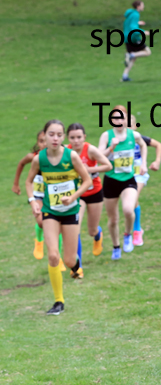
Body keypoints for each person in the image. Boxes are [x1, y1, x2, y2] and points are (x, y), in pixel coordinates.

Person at [25, 120, 93, 315]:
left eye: (59, 135)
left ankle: (76, 266)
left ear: (63, 137)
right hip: (50, 212)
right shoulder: (39, 159)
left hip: (70, 211)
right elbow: (29, 182)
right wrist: (33, 202)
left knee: (69, 260)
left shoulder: (71, 156)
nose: (55, 138)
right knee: (53, 255)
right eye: (51, 134)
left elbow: (87, 180)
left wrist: (72, 197)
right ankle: (58, 302)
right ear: (44, 136)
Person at [98, 105, 148, 260]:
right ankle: (116, 246)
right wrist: (111, 147)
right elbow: (99, 156)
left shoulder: (133, 135)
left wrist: (144, 163)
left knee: (128, 209)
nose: (118, 121)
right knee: (113, 220)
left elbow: (143, 145)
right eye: (115, 118)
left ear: (126, 119)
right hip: (111, 180)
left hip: (128, 179)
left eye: (121, 118)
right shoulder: (106, 136)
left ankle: (127, 235)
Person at [68, 123, 112, 275]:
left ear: (84, 137)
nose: (76, 141)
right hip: (77, 194)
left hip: (94, 192)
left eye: (79, 137)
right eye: (72, 137)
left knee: (91, 230)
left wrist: (90, 170)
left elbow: (108, 166)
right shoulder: (66, 152)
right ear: (68, 138)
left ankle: (98, 234)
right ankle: (77, 266)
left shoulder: (90, 150)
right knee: (76, 229)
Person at [13, 131, 49, 260]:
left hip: (53, 195)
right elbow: (21, 163)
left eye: (46, 140)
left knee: (56, 225)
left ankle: (59, 259)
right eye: (41, 141)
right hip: (38, 195)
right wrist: (16, 184)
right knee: (41, 222)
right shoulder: (33, 157)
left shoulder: (59, 156)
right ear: (37, 143)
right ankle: (39, 239)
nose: (44, 144)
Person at [128, 115, 161, 245]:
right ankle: (135, 230)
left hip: (140, 174)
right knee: (130, 202)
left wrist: (157, 161)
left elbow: (158, 145)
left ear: (135, 127)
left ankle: (137, 230)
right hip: (125, 175)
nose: (127, 128)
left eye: (130, 125)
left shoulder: (139, 138)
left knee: (133, 198)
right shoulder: (119, 140)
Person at [122, 0, 151, 82]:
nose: (143, 6)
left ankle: (125, 76)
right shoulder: (135, 14)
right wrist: (143, 32)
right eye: (142, 5)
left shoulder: (130, 13)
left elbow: (128, 23)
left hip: (127, 38)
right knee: (147, 52)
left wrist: (138, 23)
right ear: (138, 6)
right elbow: (132, 27)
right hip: (133, 38)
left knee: (133, 59)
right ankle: (131, 54)